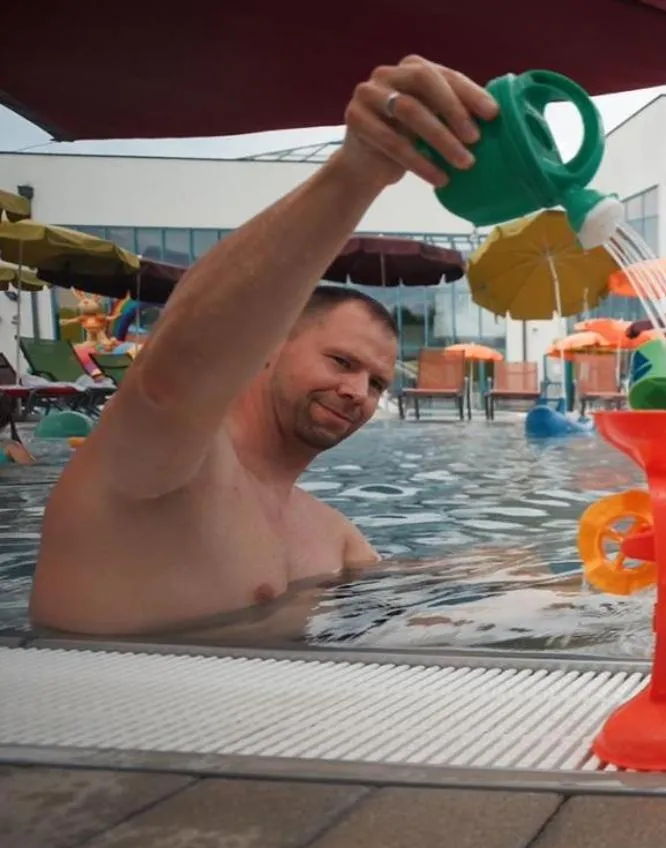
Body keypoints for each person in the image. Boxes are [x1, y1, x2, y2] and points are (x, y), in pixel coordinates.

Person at [30, 55, 498, 636]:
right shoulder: (164, 464)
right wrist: (359, 170)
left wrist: (516, 576)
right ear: (268, 345)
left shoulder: (333, 537)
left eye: (376, 382)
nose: (357, 391)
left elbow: (409, 612)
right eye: (341, 361)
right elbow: (175, 374)